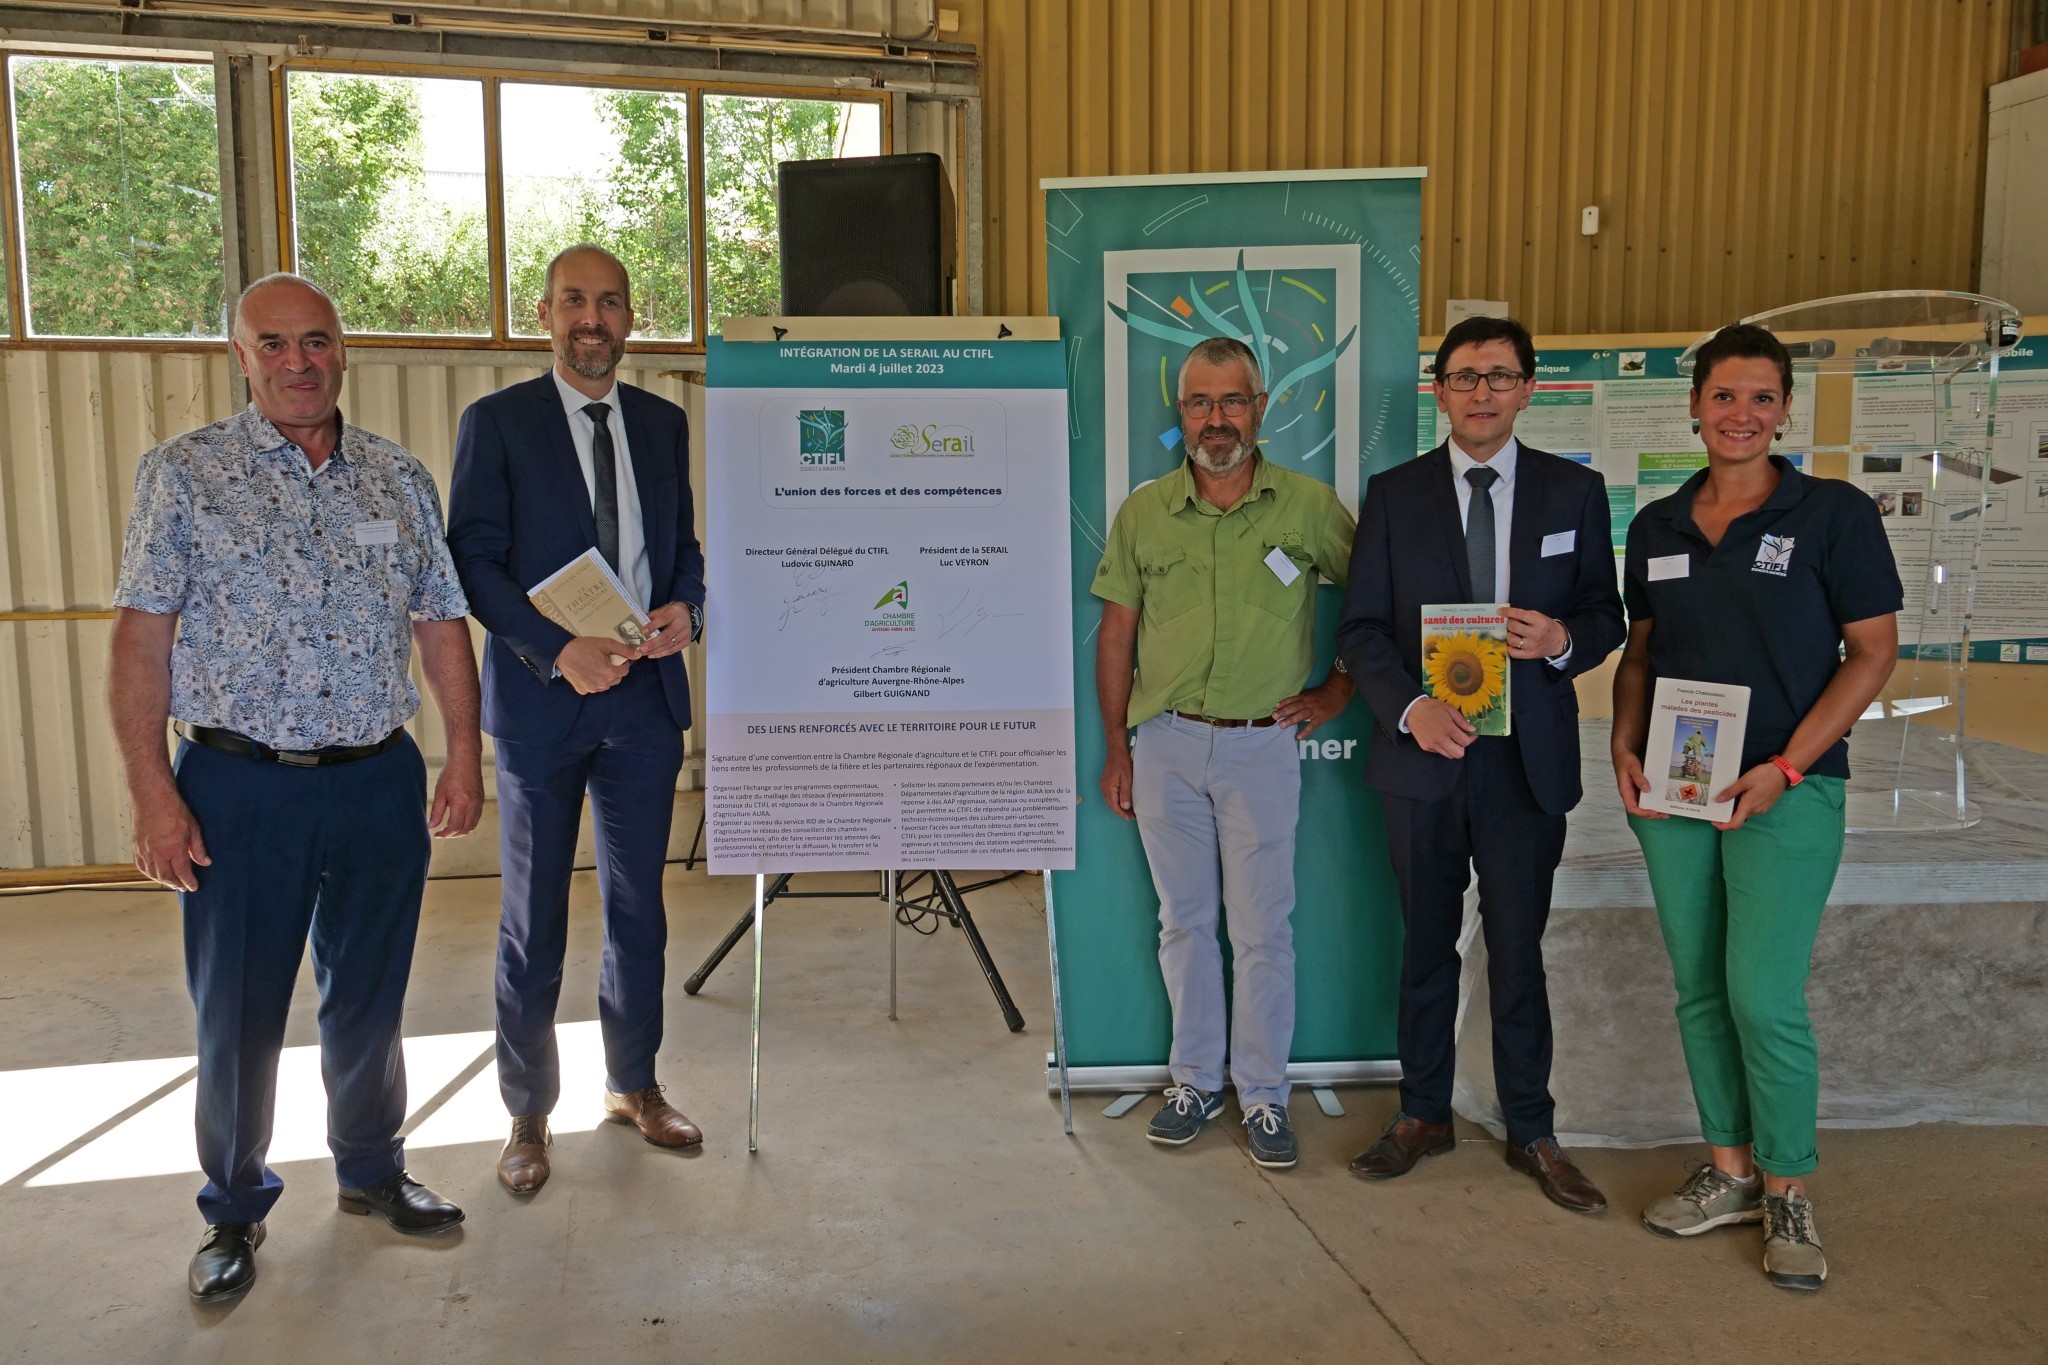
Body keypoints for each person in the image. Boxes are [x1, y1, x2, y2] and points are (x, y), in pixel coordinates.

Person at [108, 274, 484, 1304]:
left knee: (369, 993)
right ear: (241, 356)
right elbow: (142, 641)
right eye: (271, 344)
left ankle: (371, 1168)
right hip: (239, 785)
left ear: (342, 349)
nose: (296, 362)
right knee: (238, 1007)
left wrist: (463, 751)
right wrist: (152, 791)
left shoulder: (397, 478)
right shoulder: (186, 474)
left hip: (374, 779)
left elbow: (439, 624)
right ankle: (233, 1206)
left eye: (314, 340)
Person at [1612, 323, 1900, 1291]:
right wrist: (1622, 741)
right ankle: (1729, 1171)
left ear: (1784, 410)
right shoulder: (1656, 524)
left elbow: (1871, 653)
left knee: (1762, 996)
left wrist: (1785, 764)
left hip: (1788, 787)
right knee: (1699, 986)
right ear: (1694, 406)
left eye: (1761, 397)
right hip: (1676, 786)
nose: (1741, 414)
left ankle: (1787, 1188)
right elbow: (1642, 652)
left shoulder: (1832, 515)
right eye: (1724, 395)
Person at [1336, 315, 1624, 1211]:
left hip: (1524, 763)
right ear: (1440, 391)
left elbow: (1607, 614)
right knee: (1426, 945)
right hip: (1424, 756)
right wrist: (1410, 709)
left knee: (1517, 951)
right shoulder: (1395, 494)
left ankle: (1531, 1126)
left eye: (1500, 375)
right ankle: (1423, 1112)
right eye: (1464, 375)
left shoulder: (1575, 491)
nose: (1482, 391)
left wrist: (1562, 638)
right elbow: (1362, 628)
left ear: (1529, 388)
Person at [447, 244, 706, 1196]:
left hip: (643, 699)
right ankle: (527, 1110)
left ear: (631, 317)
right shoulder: (498, 423)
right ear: (545, 315)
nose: (592, 319)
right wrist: (559, 650)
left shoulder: (664, 424)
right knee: (534, 917)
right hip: (543, 702)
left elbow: (681, 548)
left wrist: (688, 607)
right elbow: (473, 563)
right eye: (574, 302)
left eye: (609, 302)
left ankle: (634, 1083)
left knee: (640, 910)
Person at [1092, 335, 1355, 1171]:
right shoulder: (1144, 512)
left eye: (1231, 400)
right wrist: (1117, 747)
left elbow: (1375, 599)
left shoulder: (1307, 506)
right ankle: (1196, 1082)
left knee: (1263, 929)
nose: (1216, 418)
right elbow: (1117, 633)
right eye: (1200, 402)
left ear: (1260, 408)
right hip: (1165, 743)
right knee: (1184, 923)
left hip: (1261, 746)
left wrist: (1337, 690)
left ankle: (1265, 1094)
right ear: (1181, 412)